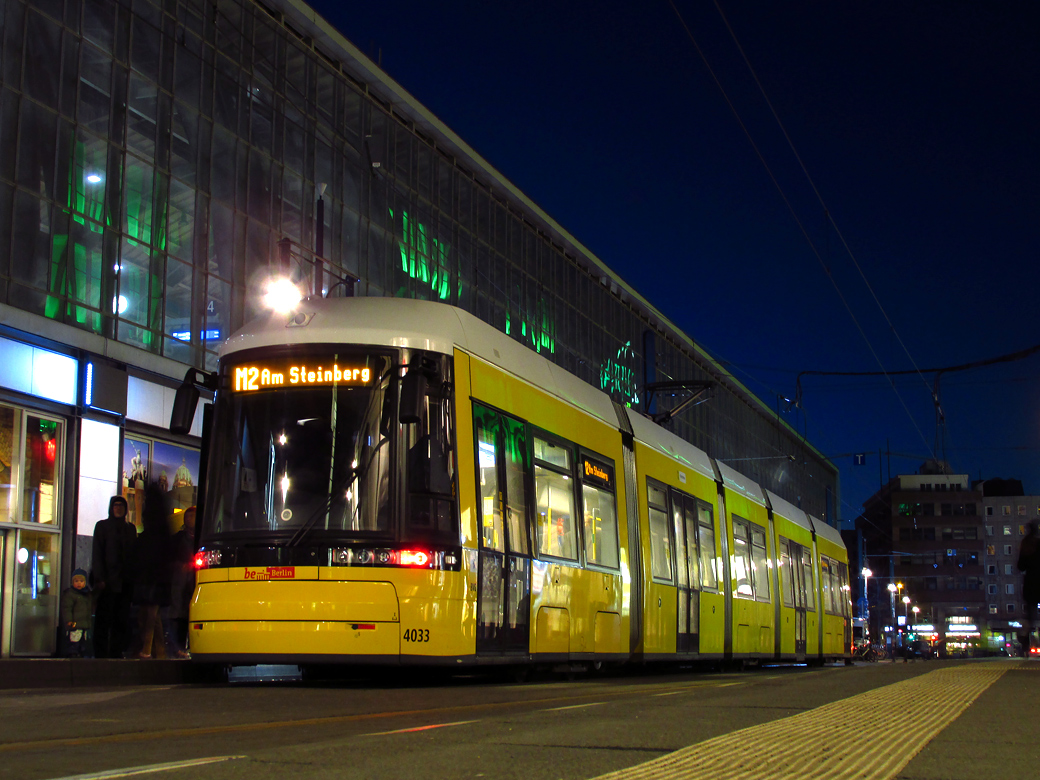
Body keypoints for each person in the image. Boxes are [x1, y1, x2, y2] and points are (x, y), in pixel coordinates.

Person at [91, 495, 137, 658]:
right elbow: (97, 553)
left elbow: (133, 555)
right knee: (104, 619)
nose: (118, 508)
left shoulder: (130, 529)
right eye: (115, 505)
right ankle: (101, 652)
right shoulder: (103, 526)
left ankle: (116, 651)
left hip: (125, 582)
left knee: (121, 619)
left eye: (121, 506)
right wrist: (100, 578)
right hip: (108, 582)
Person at [134, 483, 175, 659]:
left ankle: (147, 649)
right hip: (159, 578)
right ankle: (160, 651)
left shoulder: (151, 529)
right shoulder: (163, 528)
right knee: (154, 616)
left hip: (151, 577)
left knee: (150, 616)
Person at [169, 506, 196, 656]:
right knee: (179, 616)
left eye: (192, 516)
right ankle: (179, 648)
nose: (189, 519)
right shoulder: (178, 539)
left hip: (192, 582)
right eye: (187, 516)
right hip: (180, 581)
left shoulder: (200, 538)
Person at [1017, 520, 1040, 654]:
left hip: (1031, 582)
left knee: (1030, 615)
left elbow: (1021, 566)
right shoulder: (1039, 543)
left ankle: (1026, 643)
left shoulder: (1026, 544)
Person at [60, 569, 94, 657]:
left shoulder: (87, 595)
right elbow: (67, 609)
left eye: (81, 581)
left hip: (83, 624)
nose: (79, 583)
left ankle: (80, 653)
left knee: (82, 641)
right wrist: (69, 620)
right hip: (75, 624)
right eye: (76, 581)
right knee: (74, 641)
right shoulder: (70, 595)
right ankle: (73, 653)